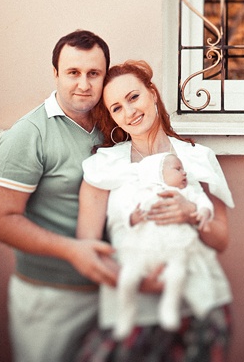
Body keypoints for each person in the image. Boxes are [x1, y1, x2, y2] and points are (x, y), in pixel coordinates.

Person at [76, 59, 234, 362]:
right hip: (132, 311)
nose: (129, 111)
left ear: (152, 92)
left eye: (133, 97)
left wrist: (190, 212)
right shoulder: (102, 166)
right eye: (117, 108)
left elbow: (221, 239)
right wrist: (139, 283)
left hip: (199, 307)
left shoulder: (198, 158)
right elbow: (88, 249)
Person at [0, 29, 118, 362]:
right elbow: (1, 221)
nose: (84, 84)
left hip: (111, 294)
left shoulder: (116, 124)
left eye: (94, 73)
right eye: (73, 72)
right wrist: (73, 251)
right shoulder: (28, 134)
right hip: (50, 298)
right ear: (55, 73)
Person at [112, 151, 226, 339]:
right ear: (158, 173)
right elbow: (127, 213)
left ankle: (169, 306)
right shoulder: (144, 190)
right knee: (127, 277)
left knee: (176, 274)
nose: (184, 173)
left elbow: (202, 201)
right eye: (177, 169)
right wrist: (133, 217)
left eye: (183, 169)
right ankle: (126, 310)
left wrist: (203, 211)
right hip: (144, 247)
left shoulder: (186, 192)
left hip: (174, 245)